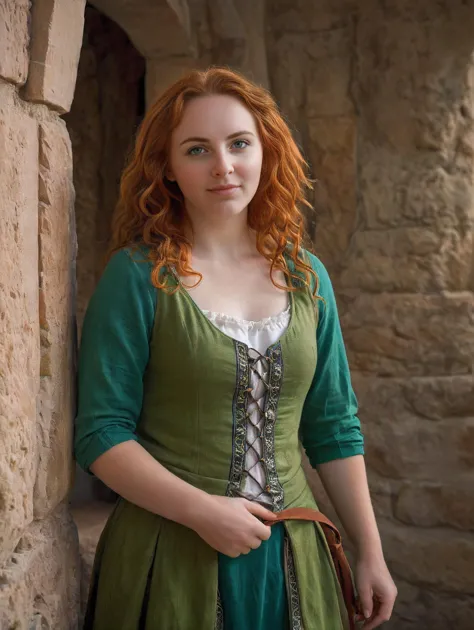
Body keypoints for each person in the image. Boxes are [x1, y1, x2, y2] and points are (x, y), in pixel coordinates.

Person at [74, 66, 397, 630]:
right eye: (197, 149)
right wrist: (202, 512)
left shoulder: (306, 277)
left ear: (265, 151)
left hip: (295, 558)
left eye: (239, 143)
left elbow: (333, 425)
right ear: (168, 169)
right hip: (170, 554)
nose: (223, 166)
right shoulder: (137, 277)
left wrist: (370, 552)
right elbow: (102, 432)